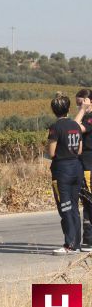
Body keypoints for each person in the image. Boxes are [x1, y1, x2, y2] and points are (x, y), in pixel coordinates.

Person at [47, 93, 85, 255]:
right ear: (69, 109)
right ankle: (76, 243)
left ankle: (69, 245)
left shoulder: (55, 127)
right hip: (77, 167)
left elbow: (51, 153)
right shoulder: (76, 126)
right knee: (74, 207)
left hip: (62, 170)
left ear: (53, 110)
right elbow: (80, 149)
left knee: (65, 207)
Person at [73, 89, 92, 251]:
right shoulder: (85, 117)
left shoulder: (90, 118)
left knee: (88, 202)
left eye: (81, 103)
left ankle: (89, 239)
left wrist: (82, 110)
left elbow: (73, 128)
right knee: (86, 201)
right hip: (83, 164)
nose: (79, 106)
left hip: (89, 165)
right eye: (77, 104)